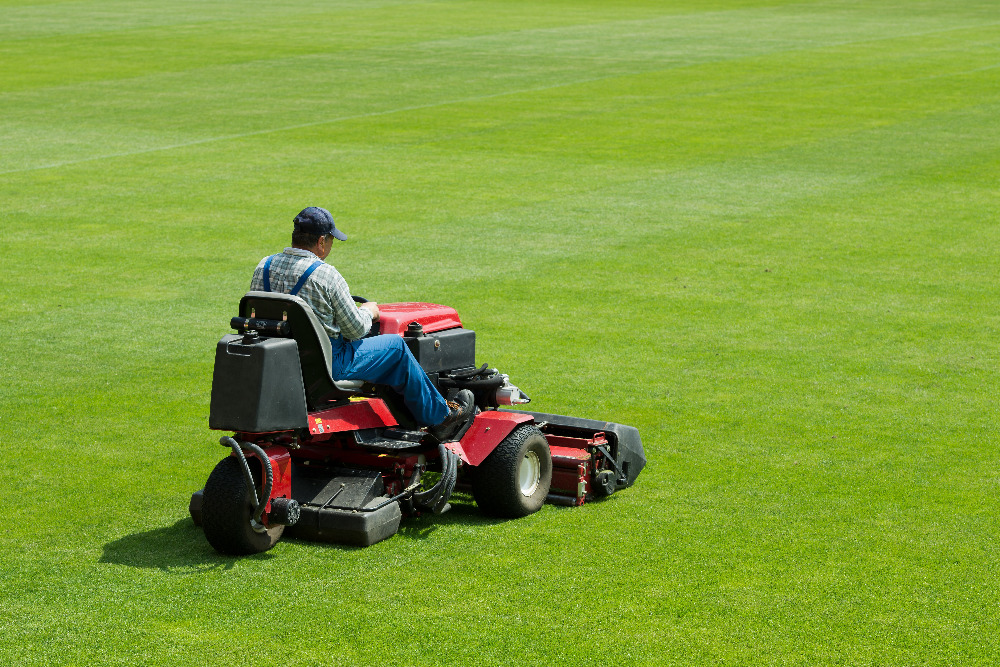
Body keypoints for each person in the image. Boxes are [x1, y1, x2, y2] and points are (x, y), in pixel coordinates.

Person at [250, 206, 473, 442]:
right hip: (326, 366)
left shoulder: (263, 267)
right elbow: (356, 331)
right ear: (321, 242)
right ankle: (440, 417)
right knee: (395, 347)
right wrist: (368, 312)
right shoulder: (325, 275)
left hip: (278, 362)